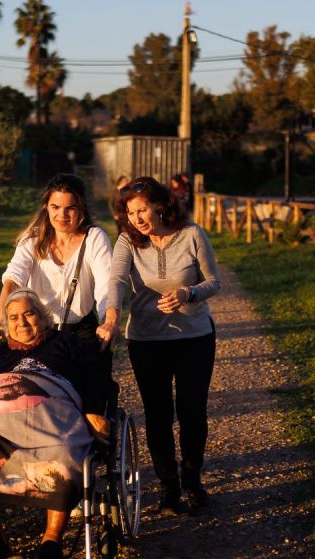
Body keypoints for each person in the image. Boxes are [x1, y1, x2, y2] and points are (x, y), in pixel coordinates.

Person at [0, 288, 112, 559]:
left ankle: (51, 543)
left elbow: (98, 377)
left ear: (43, 317)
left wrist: (93, 410)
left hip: (52, 417)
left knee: (67, 450)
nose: (21, 322)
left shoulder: (67, 343)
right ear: (6, 324)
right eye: (14, 317)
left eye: (28, 314)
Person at [97, 176, 220, 516]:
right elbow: (117, 280)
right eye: (130, 212)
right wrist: (110, 319)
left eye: (142, 210)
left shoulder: (192, 234)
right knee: (158, 415)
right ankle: (169, 486)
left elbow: (214, 281)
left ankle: (192, 478)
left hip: (194, 338)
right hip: (147, 341)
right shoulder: (127, 242)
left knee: (193, 412)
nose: (136, 218)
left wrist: (188, 294)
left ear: (161, 206)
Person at [0, 173, 112, 345]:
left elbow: (106, 287)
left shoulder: (94, 238)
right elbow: (13, 281)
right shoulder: (31, 240)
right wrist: (0, 321)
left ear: (81, 209)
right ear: (46, 207)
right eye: (55, 207)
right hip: (38, 330)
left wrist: (107, 321)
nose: (62, 215)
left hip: (81, 329)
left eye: (70, 208)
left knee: (94, 369)